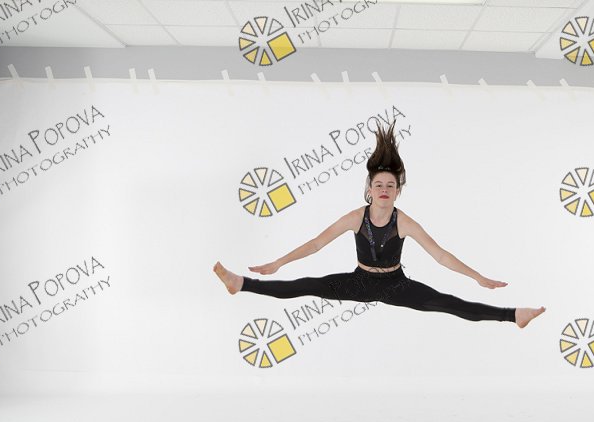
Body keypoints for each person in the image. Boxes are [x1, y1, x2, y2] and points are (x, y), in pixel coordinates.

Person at [214, 121, 546, 328]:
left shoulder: (405, 222)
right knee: (305, 285)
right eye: (379, 185)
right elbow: (316, 244)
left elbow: (441, 255)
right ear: (370, 190)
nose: (384, 190)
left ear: (397, 191)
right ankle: (240, 283)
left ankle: (514, 315)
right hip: (359, 282)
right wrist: (278, 262)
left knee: (449, 304)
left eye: (390, 186)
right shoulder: (355, 217)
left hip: (396, 285)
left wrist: (477, 277)